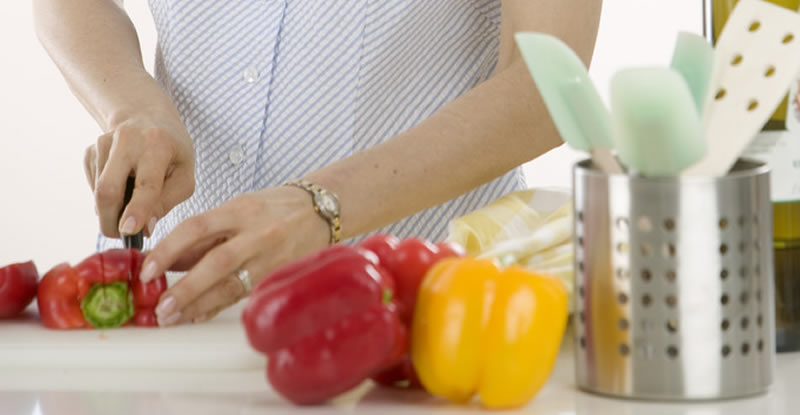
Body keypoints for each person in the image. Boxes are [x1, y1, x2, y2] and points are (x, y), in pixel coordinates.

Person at [33, 0, 602, 326]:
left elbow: (546, 86)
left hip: (416, 315)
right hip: (165, 299)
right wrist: (134, 107)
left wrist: (320, 206)